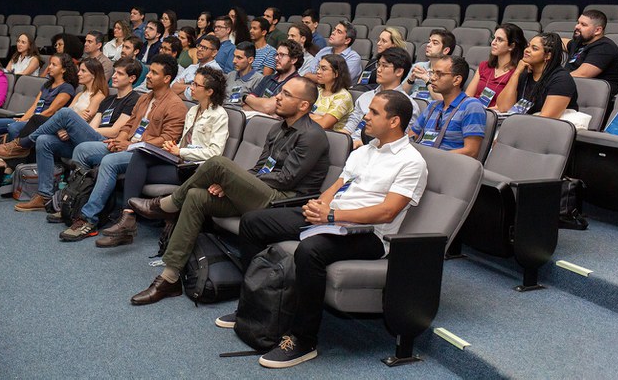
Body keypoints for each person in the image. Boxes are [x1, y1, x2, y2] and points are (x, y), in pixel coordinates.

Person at [217, 90, 428, 369]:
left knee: (311, 251)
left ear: (394, 121)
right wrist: (319, 207)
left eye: (374, 112)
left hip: (370, 235)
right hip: (331, 219)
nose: (366, 116)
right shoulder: (364, 151)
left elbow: (387, 211)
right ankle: (256, 307)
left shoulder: (411, 162)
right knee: (255, 221)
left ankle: (303, 339)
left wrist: (332, 215)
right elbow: (338, 186)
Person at [126, 76, 331, 305]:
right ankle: (170, 278)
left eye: (286, 94)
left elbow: (286, 179)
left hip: (283, 202)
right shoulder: (277, 129)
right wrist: (234, 185)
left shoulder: (312, 136)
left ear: (304, 105)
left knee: (217, 163)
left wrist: (237, 183)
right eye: (280, 92)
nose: (277, 97)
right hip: (263, 192)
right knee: (196, 196)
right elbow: (260, 168)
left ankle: (167, 205)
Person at [58, 54, 187, 241]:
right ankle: (76, 201)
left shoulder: (175, 105)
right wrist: (119, 140)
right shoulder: (144, 99)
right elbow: (129, 125)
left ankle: (89, 218)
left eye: (154, 73)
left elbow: (168, 139)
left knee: (109, 162)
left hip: (146, 154)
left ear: (167, 79)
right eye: (149, 71)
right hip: (126, 146)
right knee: (83, 150)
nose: (148, 75)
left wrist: (130, 145)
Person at [96, 66, 230, 247]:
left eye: (196, 85)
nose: (190, 87)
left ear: (209, 91)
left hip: (196, 170)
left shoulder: (219, 115)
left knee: (137, 167)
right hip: (180, 162)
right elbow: (186, 142)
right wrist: (173, 147)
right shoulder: (193, 111)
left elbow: (215, 153)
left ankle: (126, 222)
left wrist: (180, 151)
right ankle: (127, 217)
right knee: (141, 154)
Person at [0, 58, 142, 212]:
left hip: (105, 142)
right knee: (44, 140)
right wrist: (76, 130)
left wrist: (75, 128)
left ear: (132, 79)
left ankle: (23, 144)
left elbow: (115, 131)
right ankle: (44, 195)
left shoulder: (134, 99)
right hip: (90, 138)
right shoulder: (109, 99)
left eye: (120, 73)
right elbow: (92, 126)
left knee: (65, 113)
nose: (114, 76)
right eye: (114, 72)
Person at [0, 53, 77, 142]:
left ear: (63, 69)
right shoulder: (47, 84)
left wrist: (30, 121)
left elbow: (51, 111)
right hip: (32, 119)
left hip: (45, 122)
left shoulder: (67, 88)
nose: (49, 67)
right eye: (49, 63)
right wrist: (22, 119)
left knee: (14, 128)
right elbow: (35, 106)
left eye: (54, 65)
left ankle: (14, 155)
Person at [409, 55, 486, 158]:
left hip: (446, 166)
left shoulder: (471, 106)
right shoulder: (432, 106)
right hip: (420, 161)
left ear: (456, 80)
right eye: (432, 73)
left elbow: (471, 151)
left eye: (439, 74)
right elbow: (411, 137)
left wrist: (432, 157)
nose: (432, 78)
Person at [342, 47, 420, 148]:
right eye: (378, 65)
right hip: (350, 146)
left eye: (384, 66)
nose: (378, 70)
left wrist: (364, 144)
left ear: (399, 71)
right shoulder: (365, 97)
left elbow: (400, 140)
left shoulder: (408, 105)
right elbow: (349, 128)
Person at [496, 32, 578, 119]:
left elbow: (547, 118)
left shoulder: (562, 79)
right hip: (522, 123)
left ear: (547, 55)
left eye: (534, 48)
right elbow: (503, 108)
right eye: (528, 46)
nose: (527, 50)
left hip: (546, 128)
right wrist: (516, 73)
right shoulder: (524, 74)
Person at [465, 23, 526, 108]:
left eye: (499, 40)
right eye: (494, 38)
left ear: (511, 46)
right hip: (472, 111)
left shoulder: (516, 73)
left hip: (494, 117)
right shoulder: (484, 66)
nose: (493, 43)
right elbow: (468, 96)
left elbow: (504, 108)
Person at [563, 9, 618, 95]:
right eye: (578, 22)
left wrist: (550, 80)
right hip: (572, 88)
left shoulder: (605, 47)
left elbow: (582, 74)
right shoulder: (581, 42)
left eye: (583, 25)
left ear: (597, 30)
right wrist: (543, 41)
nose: (577, 26)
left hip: (593, 95)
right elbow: (562, 42)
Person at [242, 40, 303, 116]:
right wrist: (247, 99)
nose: (277, 58)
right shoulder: (267, 78)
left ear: (293, 60)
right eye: (277, 54)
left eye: (282, 55)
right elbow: (245, 106)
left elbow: (267, 107)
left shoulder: (297, 84)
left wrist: (248, 100)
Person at [401, 29, 456, 101]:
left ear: (445, 50)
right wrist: (411, 79)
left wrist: (427, 79)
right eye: (429, 41)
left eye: (435, 43)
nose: (428, 45)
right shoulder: (418, 66)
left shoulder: (449, 72)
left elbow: (443, 100)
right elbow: (400, 95)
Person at [310, 54, 353, 131]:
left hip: (331, 138)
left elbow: (324, 124)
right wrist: (319, 118)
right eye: (318, 68)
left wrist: (306, 116)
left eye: (323, 69)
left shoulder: (343, 96)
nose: (318, 72)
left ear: (336, 73)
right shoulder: (317, 90)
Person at [171, 35, 221, 100]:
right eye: (199, 46)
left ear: (214, 53)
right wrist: (190, 86)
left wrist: (181, 86)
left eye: (204, 47)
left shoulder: (215, 70)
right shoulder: (191, 67)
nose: (199, 49)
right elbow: (172, 87)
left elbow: (193, 96)